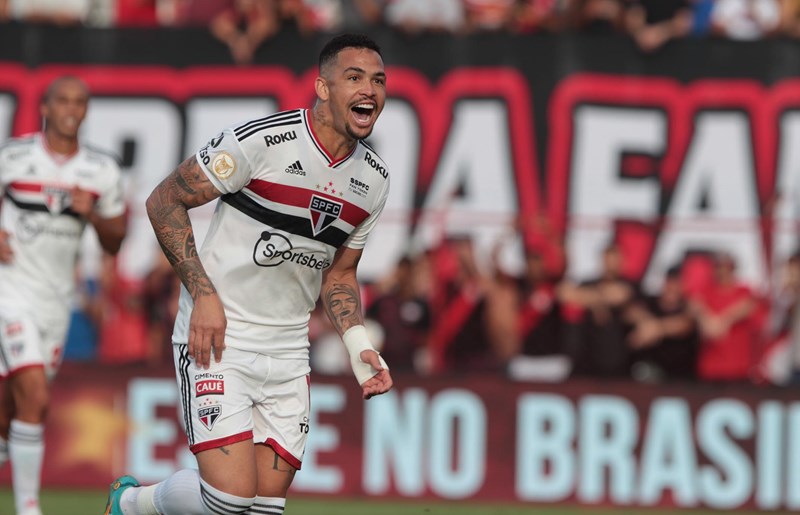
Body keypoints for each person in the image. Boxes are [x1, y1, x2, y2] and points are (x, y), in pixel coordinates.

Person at [103, 33, 393, 515]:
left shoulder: (375, 180)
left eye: (378, 80)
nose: (369, 90)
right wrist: (203, 294)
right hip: (220, 337)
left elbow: (341, 274)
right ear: (323, 88)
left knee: (262, 509)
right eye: (355, 77)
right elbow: (164, 200)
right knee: (228, 500)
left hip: (288, 352)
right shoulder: (261, 141)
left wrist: (358, 343)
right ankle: (132, 504)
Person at [0, 75, 127, 515]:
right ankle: (29, 508)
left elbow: (115, 241)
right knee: (35, 397)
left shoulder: (102, 170)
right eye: (63, 101)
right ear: (46, 108)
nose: (71, 109)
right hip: (10, 291)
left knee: (12, 413)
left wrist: (93, 215)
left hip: (56, 302)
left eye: (79, 101)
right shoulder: (13, 156)